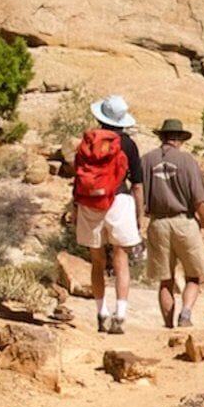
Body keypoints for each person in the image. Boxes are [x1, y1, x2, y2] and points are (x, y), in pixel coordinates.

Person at [66, 94, 146, 335]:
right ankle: (120, 315)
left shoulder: (88, 142)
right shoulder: (128, 144)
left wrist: (76, 208)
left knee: (97, 260)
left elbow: (78, 178)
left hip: (90, 202)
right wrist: (139, 214)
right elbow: (138, 184)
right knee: (120, 258)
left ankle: (101, 312)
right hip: (119, 200)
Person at [137, 115, 204, 329]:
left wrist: (138, 220)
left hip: (158, 223)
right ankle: (186, 314)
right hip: (184, 222)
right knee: (194, 275)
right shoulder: (187, 161)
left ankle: (168, 326)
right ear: (180, 139)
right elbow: (199, 200)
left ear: (162, 137)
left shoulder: (146, 160)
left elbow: (138, 192)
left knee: (165, 280)